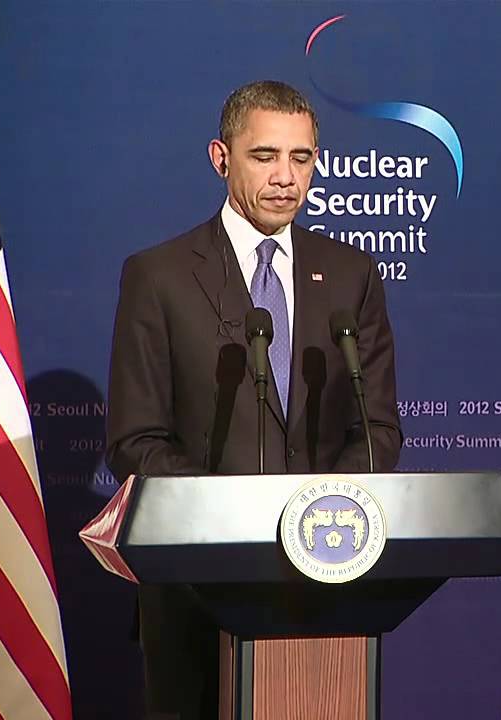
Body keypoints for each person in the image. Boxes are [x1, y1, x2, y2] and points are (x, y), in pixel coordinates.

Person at [105, 80, 402, 720]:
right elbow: (135, 441)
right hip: (194, 591)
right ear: (221, 158)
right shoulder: (158, 276)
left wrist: (312, 523)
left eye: (301, 158)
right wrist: (244, 517)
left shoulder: (350, 273)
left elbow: (376, 430)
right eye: (264, 156)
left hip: (324, 588)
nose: (285, 178)